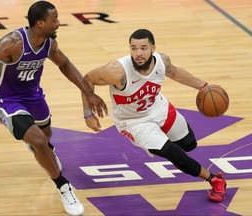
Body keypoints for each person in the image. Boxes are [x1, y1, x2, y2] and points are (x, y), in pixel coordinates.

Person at [0, 1, 108, 216]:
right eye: (54, 19)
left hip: (33, 96)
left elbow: (65, 64)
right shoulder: (14, 42)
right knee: (40, 142)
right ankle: (63, 186)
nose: (58, 23)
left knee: (45, 138)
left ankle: (42, 150)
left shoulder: (49, 43)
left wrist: (89, 93)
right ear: (40, 23)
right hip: (5, 100)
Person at [81, 29, 226, 203]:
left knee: (189, 144)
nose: (138, 53)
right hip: (133, 122)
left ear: (153, 48)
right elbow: (86, 79)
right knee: (172, 153)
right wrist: (87, 112)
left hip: (158, 107)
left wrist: (204, 85)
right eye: (134, 48)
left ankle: (156, 142)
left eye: (143, 48)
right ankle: (215, 180)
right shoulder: (116, 70)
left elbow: (175, 72)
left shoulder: (161, 61)